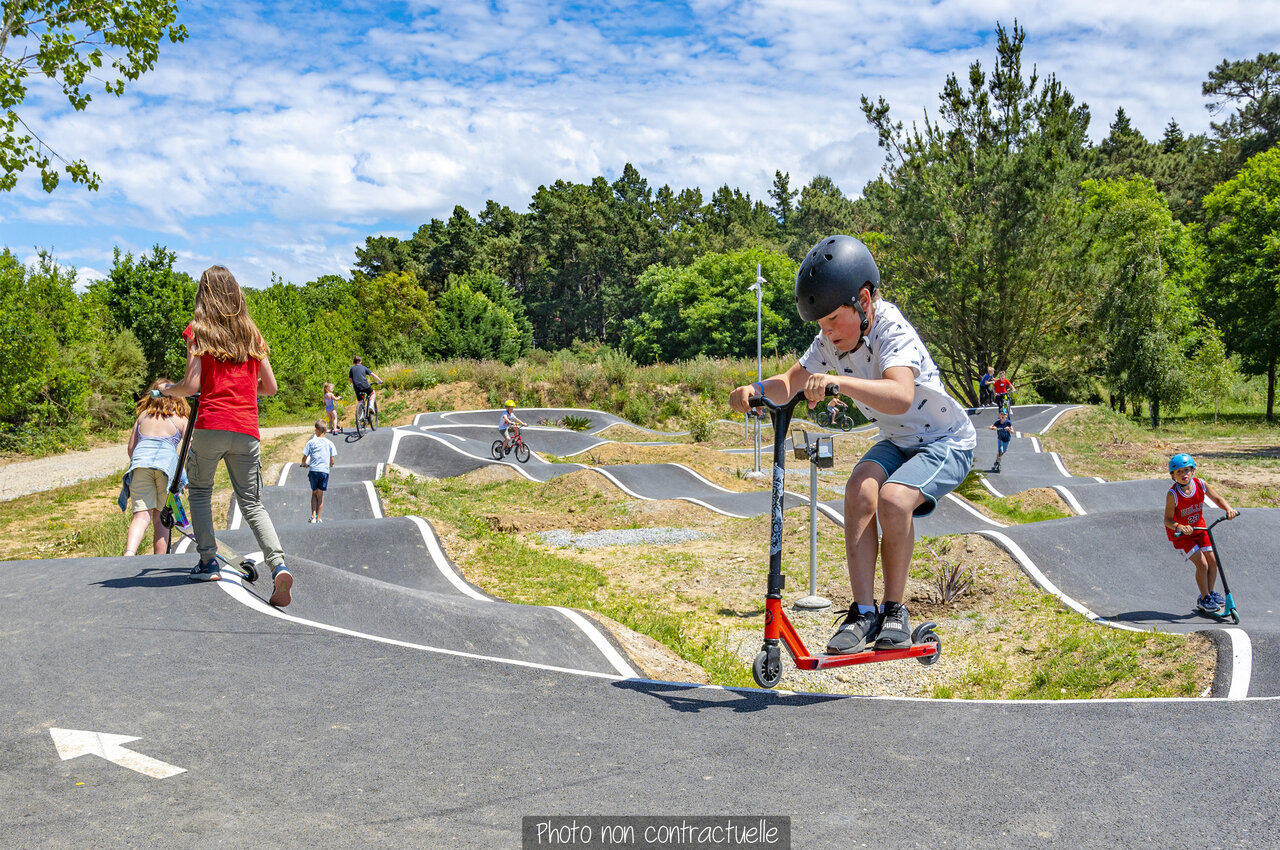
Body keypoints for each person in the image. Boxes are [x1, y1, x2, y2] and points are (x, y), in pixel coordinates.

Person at [729, 234, 976, 654]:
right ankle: (864, 612)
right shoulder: (830, 341)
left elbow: (899, 395)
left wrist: (839, 382)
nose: (826, 333)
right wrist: (752, 389)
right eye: (820, 326)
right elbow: (791, 382)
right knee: (858, 489)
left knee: (894, 500)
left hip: (945, 440)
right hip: (898, 439)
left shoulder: (891, 329)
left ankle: (895, 609)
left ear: (863, 301)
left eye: (832, 320)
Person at [158, 265, 293, 607]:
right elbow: (271, 388)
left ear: (204, 294)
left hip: (211, 424)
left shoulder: (198, 331)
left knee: (201, 492)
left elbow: (191, 386)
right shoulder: (252, 333)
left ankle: (207, 562)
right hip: (246, 428)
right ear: (235, 292)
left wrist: (166, 390)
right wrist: (244, 389)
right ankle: (278, 566)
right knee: (251, 502)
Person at [120, 380, 190, 556]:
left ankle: (129, 554)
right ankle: (160, 559)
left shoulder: (143, 416)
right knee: (161, 519)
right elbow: (189, 452)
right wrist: (185, 477)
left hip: (140, 466)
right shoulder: (180, 419)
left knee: (141, 516)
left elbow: (131, 448)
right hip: (166, 470)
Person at [1164, 453, 1238, 615]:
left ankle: (1209, 594)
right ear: (1173, 475)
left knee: (1213, 562)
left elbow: (1217, 499)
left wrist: (1228, 509)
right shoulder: (1173, 494)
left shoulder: (1201, 484)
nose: (1184, 474)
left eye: (1187, 470)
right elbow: (1167, 520)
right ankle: (1203, 598)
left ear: (1193, 471)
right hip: (1182, 536)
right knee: (1202, 564)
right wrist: (1180, 527)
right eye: (1179, 472)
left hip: (1200, 529)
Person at [302, 420, 338, 523]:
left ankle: (313, 516)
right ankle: (319, 518)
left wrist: (304, 464)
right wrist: (330, 465)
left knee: (314, 493)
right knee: (320, 494)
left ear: (316, 430)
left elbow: (304, 457)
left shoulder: (311, 442)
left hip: (313, 470)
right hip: (324, 471)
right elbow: (332, 461)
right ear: (326, 430)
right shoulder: (330, 443)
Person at [347, 356, 383, 423]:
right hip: (365, 385)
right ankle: (371, 405)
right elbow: (372, 375)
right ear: (360, 361)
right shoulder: (364, 367)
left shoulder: (351, 369)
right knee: (372, 393)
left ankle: (360, 417)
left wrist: (355, 383)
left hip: (357, 387)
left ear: (353, 362)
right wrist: (380, 380)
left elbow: (350, 380)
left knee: (360, 402)